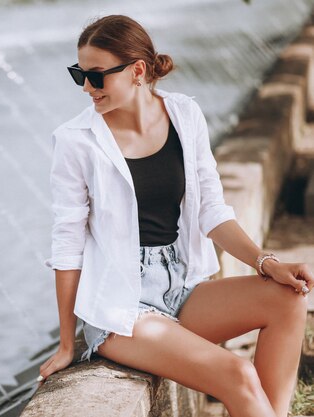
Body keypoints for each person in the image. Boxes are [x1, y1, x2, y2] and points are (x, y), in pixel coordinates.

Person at [37, 14, 314, 417]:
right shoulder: (77, 141)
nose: (86, 87)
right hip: (123, 309)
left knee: (289, 298)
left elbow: (212, 210)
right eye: (79, 73)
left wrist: (265, 262)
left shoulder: (184, 115)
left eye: (96, 76)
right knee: (237, 373)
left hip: (180, 286)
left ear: (137, 71)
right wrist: (67, 343)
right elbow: (68, 245)